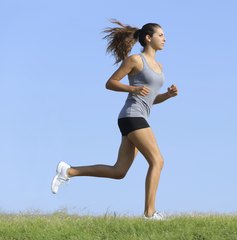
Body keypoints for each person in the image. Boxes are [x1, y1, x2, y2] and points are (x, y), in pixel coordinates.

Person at [51, 20, 178, 220]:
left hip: (138, 116)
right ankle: (150, 213)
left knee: (119, 171)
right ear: (148, 38)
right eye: (160, 35)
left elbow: (151, 99)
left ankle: (68, 171)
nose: (165, 39)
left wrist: (168, 96)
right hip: (132, 116)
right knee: (157, 161)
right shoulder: (136, 60)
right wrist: (132, 88)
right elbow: (110, 83)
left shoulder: (159, 66)